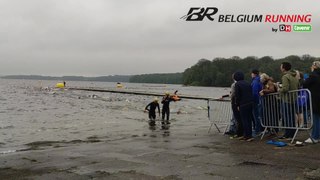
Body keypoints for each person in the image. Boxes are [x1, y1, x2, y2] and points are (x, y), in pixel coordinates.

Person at [278, 62, 299, 139]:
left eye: (281, 66)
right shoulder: (294, 76)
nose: (280, 68)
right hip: (294, 99)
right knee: (292, 117)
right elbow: (298, 86)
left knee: (287, 117)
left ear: (283, 68)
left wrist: (279, 89)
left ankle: (288, 134)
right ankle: (291, 134)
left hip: (287, 99)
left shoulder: (285, 77)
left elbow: (285, 88)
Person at [234, 71, 254, 141]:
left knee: (244, 120)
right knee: (249, 119)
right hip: (250, 103)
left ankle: (247, 136)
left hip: (243, 104)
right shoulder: (247, 83)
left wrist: (237, 104)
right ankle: (249, 135)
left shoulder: (237, 84)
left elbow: (237, 95)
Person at [303, 61, 320, 143]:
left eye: (312, 66)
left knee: (316, 118)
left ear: (314, 66)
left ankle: (315, 137)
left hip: (315, 100)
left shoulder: (313, 75)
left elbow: (305, 84)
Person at [251, 69, 263, 136]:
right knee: (257, 116)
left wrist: (252, 100)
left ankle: (257, 131)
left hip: (255, 101)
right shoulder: (259, 80)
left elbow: (254, 92)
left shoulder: (255, 81)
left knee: (256, 116)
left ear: (253, 74)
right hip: (258, 100)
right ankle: (258, 130)